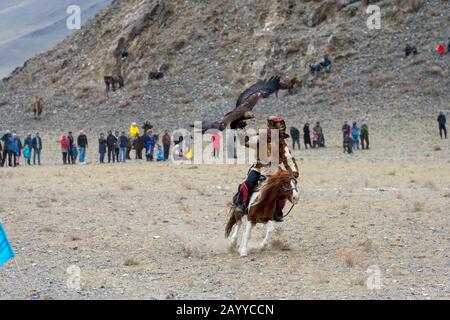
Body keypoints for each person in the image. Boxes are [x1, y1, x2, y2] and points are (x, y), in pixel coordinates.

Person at [233, 116, 300, 222]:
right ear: (270, 125)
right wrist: (239, 130)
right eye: (277, 125)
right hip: (258, 169)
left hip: (274, 171)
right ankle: (240, 206)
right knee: (247, 184)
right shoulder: (260, 138)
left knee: (282, 190)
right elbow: (245, 142)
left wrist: (294, 172)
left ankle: (277, 212)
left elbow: (289, 159)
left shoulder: (282, 144)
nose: (280, 127)